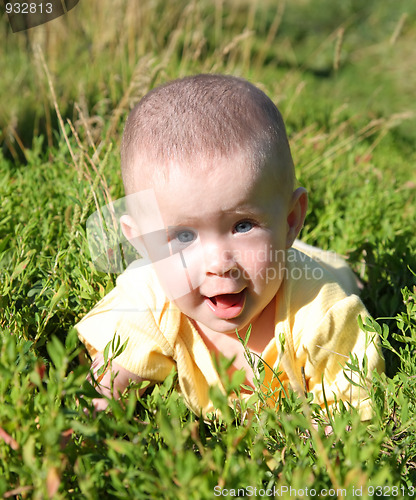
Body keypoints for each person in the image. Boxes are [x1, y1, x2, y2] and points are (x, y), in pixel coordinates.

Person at [76, 74, 384, 420]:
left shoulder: (323, 315)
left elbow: (356, 420)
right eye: (183, 236)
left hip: (313, 269)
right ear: (144, 244)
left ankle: (338, 265)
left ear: (290, 220)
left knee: (333, 271)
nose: (219, 263)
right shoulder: (150, 300)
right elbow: (99, 398)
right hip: (276, 259)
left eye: (242, 225)